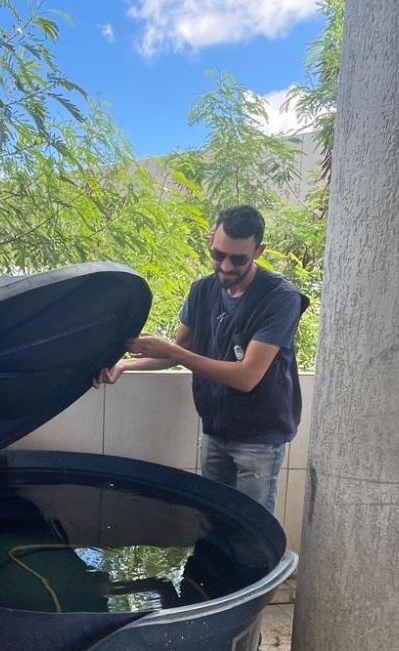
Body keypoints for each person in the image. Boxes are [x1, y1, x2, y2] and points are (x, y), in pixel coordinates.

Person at [97, 205, 309, 514]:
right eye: (218, 255)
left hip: (260, 437)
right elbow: (178, 352)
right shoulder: (202, 291)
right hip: (215, 428)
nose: (225, 266)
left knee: (250, 526)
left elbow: (246, 377)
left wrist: (172, 351)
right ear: (211, 241)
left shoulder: (280, 298)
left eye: (238, 259)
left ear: (258, 251)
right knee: (212, 518)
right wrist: (125, 364)